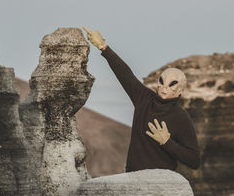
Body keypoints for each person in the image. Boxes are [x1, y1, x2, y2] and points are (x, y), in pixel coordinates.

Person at [83, 26, 200, 172]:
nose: (165, 87)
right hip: (134, 176)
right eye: (162, 82)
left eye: (172, 85)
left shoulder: (181, 117)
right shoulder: (144, 98)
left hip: (162, 182)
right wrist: (103, 47)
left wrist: (167, 142)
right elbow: (125, 75)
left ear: (180, 90)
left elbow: (194, 160)